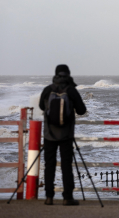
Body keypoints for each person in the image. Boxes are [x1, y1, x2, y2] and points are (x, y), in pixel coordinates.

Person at [39, 65, 86, 206]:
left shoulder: (48, 89)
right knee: (66, 165)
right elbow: (82, 110)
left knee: (49, 165)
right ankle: (67, 198)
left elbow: (42, 106)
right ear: (68, 74)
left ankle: (49, 197)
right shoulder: (71, 90)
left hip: (49, 134)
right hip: (66, 135)